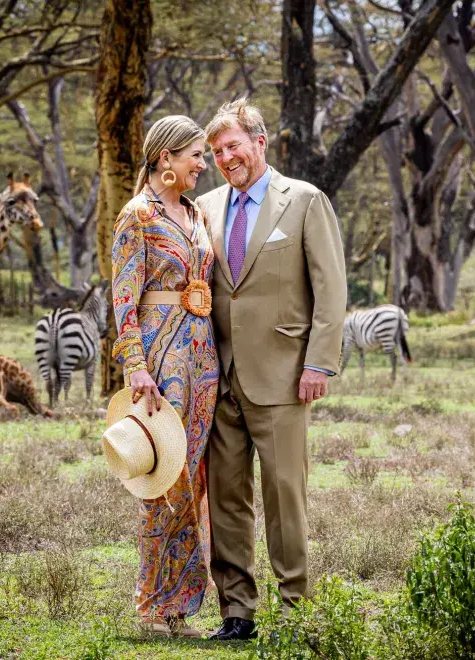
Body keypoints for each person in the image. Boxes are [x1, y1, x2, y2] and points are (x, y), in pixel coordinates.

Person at [196, 99, 347, 641]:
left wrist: (319, 364)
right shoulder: (206, 207)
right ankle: (236, 613)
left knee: (285, 497)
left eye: (233, 145)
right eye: (215, 151)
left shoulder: (304, 200)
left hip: (285, 376)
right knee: (226, 499)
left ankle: (297, 612)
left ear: (260, 142)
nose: (224, 157)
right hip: (218, 377)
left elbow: (331, 290)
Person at [110, 115, 219, 638]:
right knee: (166, 482)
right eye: (195, 155)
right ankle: (161, 605)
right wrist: (136, 367)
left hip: (204, 359)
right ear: (165, 160)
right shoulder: (136, 216)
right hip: (160, 358)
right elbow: (123, 300)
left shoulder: (196, 213)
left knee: (194, 481)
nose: (204, 164)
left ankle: (185, 601)